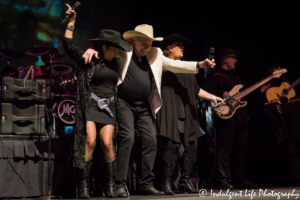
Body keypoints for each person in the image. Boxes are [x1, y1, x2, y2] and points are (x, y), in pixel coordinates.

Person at [83, 24, 215, 197]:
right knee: (128, 137)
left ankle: (146, 183)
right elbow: (107, 46)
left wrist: (199, 64)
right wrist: (92, 49)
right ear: (134, 40)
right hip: (124, 103)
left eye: (149, 42)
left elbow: (175, 65)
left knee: (150, 140)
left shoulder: (156, 53)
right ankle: (119, 184)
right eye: (143, 42)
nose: (147, 46)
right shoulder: (124, 51)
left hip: (144, 106)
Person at [63, 4, 130, 198]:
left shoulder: (118, 60)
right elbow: (68, 45)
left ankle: (109, 185)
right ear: (104, 47)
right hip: (91, 104)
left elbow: (132, 53)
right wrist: (72, 22)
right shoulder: (88, 59)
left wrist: (94, 47)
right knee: (90, 141)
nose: (117, 51)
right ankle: (83, 186)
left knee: (108, 143)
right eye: (114, 48)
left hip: (108, 106)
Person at [156, 33, 224, 195]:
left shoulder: (188, 68)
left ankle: (185, 181)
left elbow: (196, 90)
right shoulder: (162, 65)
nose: (182, 47)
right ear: (168, 48)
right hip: (171, 109)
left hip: (187, 110)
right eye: (178, 44)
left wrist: (214, 97)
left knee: (192, 145)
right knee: (171, 145)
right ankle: (166, 182)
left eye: (183, 45)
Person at [203, 47, 257, 190]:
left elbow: (245, 95)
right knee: (225, 149)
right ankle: (223, 179)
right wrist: (222, 92)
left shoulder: (237, 78)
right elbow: (206, 91)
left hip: (240, 117)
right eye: (233, 57)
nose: (236, 60)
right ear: (225, 59)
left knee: (240, 150)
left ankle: (240, 179)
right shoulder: (216, 75)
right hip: (226, 117)